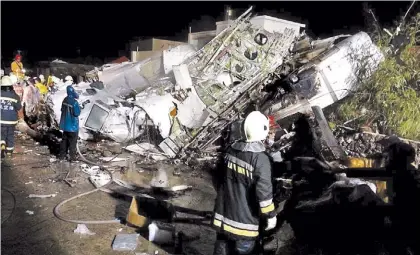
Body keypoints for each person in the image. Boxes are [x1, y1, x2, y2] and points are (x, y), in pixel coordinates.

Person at [212, 111, 277, 255]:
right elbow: (264, 194)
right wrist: (271, 216)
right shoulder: (261, 160)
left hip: (223, 220)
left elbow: (217, 179)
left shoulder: (230, 151)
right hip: (244, 227)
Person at [1, 76, 22, 158]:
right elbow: (19, 108)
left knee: (1, 133)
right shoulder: (14, 96)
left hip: (1, 120)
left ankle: (2, 143)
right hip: (11, 120)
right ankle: (9, 152)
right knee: (10, 135)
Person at [58, 85, 81, 162]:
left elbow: (62, 109)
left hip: (65, 126)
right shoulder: (74, 102)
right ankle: (72, 158)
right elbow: (77, 113)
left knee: (64, 141)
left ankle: (62, 156)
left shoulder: (64, 100)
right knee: (72, 143)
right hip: (73, 127)